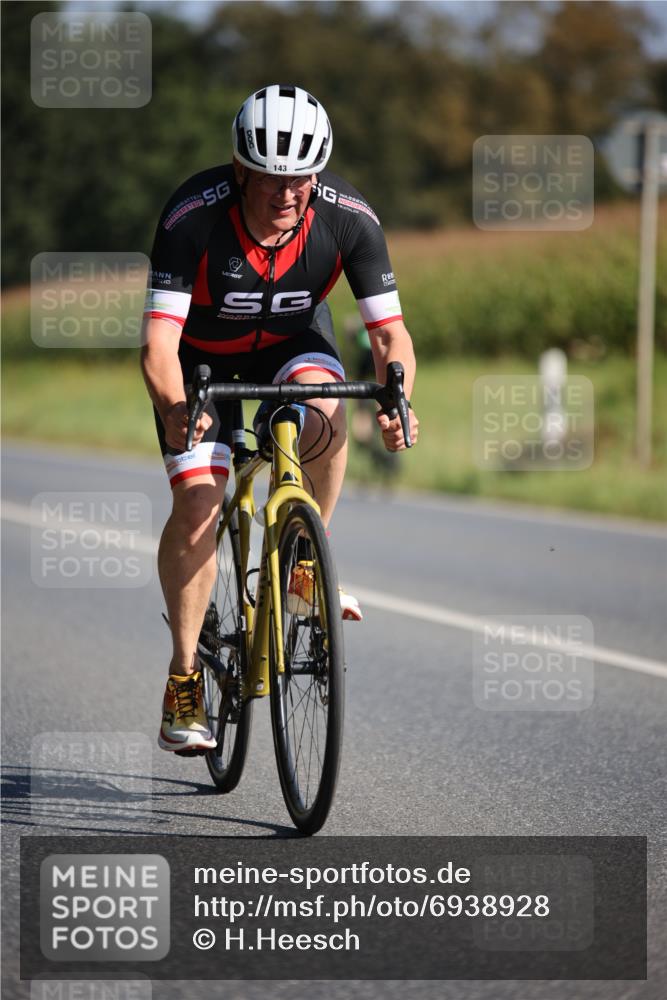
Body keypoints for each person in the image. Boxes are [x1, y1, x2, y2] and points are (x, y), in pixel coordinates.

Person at [141, 84, 419, 753]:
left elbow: (390, 337)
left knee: (324, 411)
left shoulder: (347, 217)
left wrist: (398, 399)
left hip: (295, 344)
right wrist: (177, 411)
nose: (287, 194)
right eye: (270, 179)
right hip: (199, 361)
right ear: (240, 171)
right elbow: (155, 344)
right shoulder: (192, 217)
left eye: (300, 179)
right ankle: (185, 680)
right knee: (199, 502)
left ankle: (302, 553)